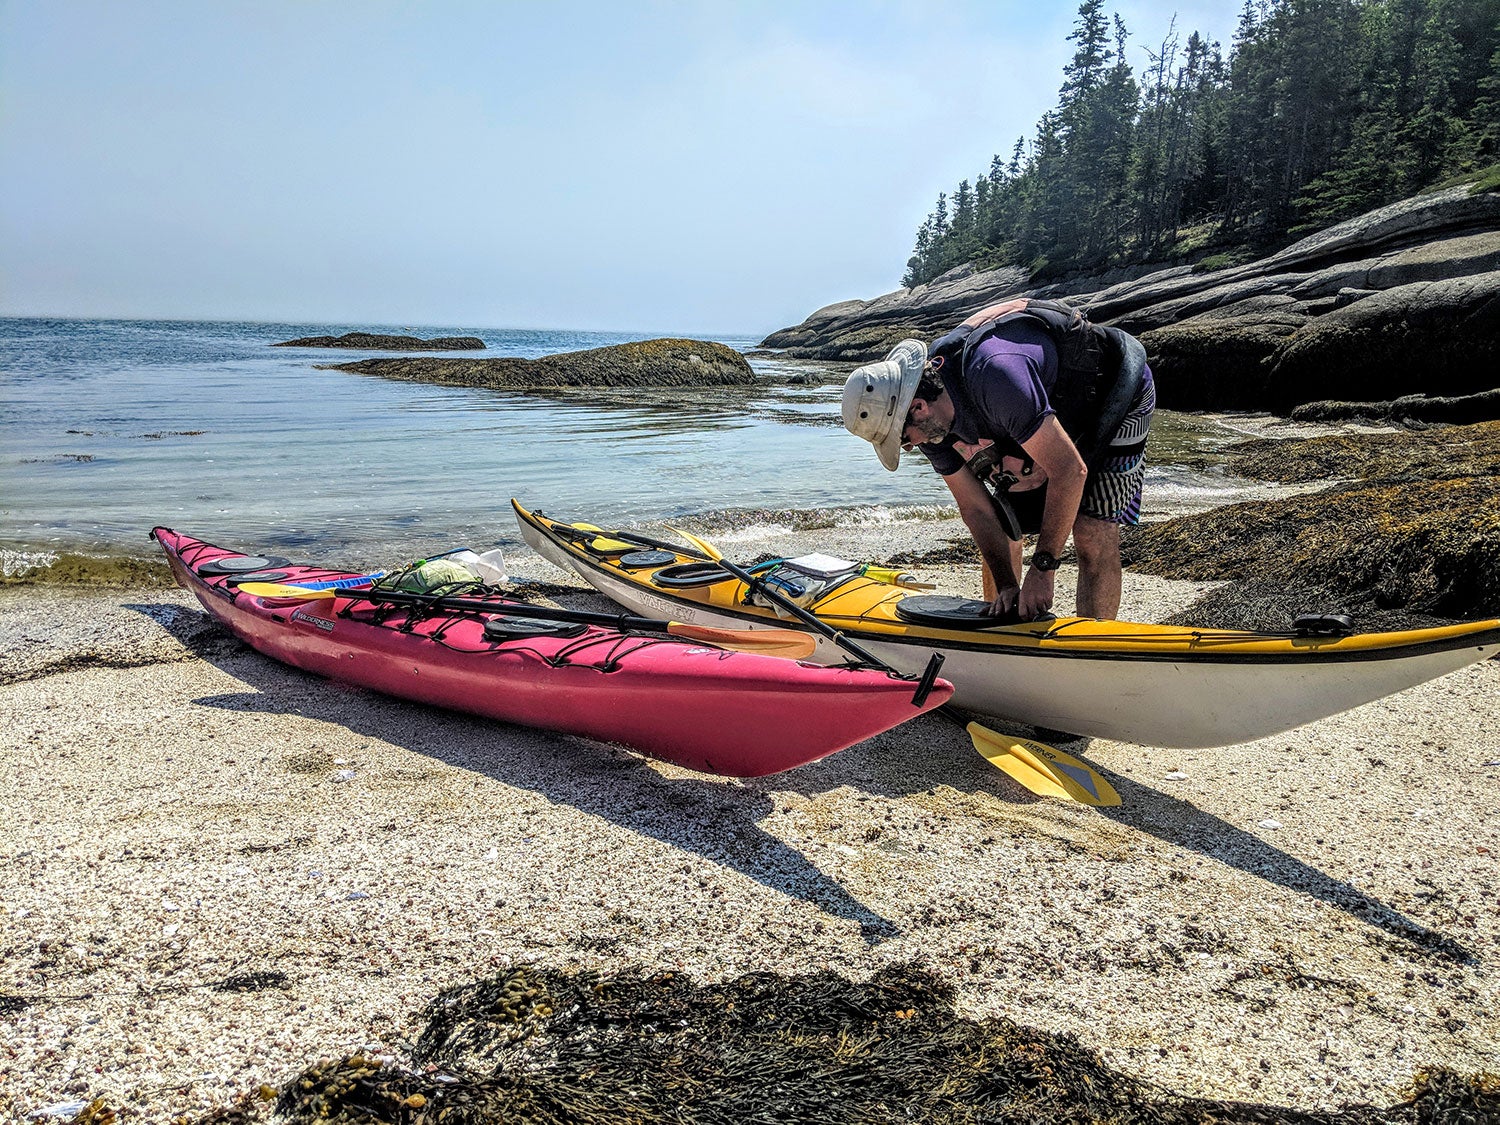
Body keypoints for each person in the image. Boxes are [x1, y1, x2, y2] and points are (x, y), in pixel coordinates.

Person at [841, 299, 1155, 621]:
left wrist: (1043, 567)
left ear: (919, 407)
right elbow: (976, 508)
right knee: (1006, 533)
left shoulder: (997, 376)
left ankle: (1094, 646)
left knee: (1091, 530)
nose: (908, 448)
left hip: (1116, 392)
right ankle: (1002, 623)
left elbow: (1070, 470)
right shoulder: (929, 425)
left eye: (902, 439)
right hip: (1036, 414)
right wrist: (1007, 585)